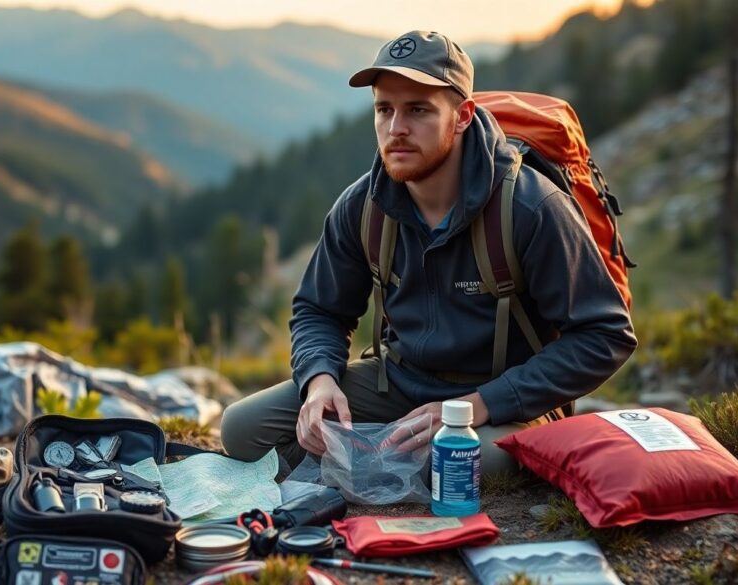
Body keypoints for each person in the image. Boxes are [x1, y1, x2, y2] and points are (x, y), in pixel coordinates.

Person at [220, 30, 637, 476]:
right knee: (243, 429)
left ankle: (369, 459)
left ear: (462, 116)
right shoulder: (364, 206)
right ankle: (377, 457)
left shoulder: (530, 207)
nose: (396, 128)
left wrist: (478, 405)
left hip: (501, 401)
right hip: (397, 383)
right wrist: (319, 380)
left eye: (417, 110)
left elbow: (605, 335)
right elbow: (318, 309)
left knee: (463, 461)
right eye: (384, 109)